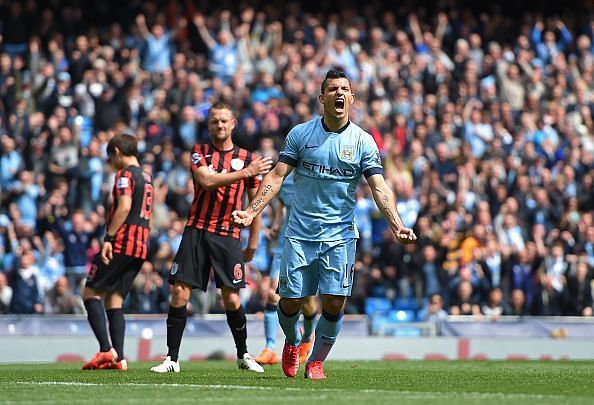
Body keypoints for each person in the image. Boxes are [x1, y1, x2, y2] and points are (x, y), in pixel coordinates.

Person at [232, 68, 416, 379]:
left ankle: (316, 360)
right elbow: (276, 177)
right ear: (322, 98)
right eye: (332, 89)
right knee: (288, 302)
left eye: (344, 89)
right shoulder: (301, 135)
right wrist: (251, 212)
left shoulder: (363, 141)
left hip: (340, 235)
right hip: (300, 233)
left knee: (334, 301)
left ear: (352, 98)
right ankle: (292, 341)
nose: (339, 93)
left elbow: (380, 187)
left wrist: (396, 225)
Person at [150, 102, 272, 373]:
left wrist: (253, 243)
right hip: (196, 230)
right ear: (209, 125)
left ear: (233, 124)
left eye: (224, 121)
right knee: (179, 292)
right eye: (215, 121)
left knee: (231, 299)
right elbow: (205, 181)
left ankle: (243, 355)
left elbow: (255, 205)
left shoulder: (247, 157)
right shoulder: (199, 153)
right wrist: (246, 173)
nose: (219, 125)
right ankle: (172, 358)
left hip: (228, 234)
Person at [81, 132, 154, 371]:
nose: (110, 164)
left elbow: (123, 207)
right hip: (141, 245)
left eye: (110, 158)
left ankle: (105, 350)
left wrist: (109, 238)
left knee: (90, 292)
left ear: (116, 153)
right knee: (115, 298)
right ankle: (119, 357)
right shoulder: (147, 176)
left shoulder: (124, 175)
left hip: (122, 242)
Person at [254, 172, 319, 366]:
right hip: (284, 246)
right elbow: (281, 205)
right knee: (273, 294)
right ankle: (270, 348)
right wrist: (275, 225)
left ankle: (307, 338)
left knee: (306, 301)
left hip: (308, 245)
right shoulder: (285, 181)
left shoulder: (317, 179)